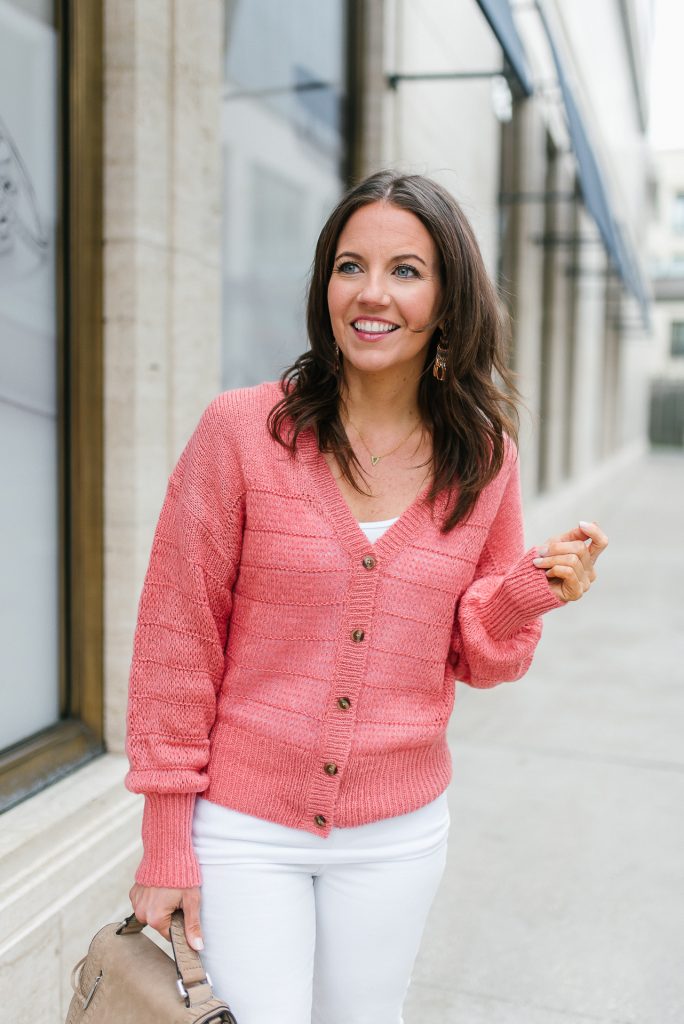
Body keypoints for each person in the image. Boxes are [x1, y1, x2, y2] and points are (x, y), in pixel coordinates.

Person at [125, 170, 608, 1024]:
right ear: (324, 285)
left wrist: (526, 593)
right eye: (350, 266)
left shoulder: (484, 455)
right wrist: (168, 838)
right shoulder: (242, 431)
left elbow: (477, 657)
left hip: (397, 833)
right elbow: (177, 634)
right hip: (243, 828)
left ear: (448, 298)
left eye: (406, 271)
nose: (372, 294)